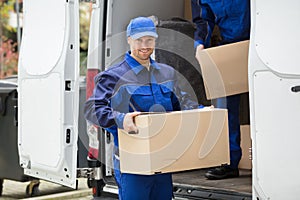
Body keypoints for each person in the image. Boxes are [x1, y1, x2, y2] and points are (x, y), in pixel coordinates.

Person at [84, 16, 199, 200]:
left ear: (155, 40)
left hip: (163, 159)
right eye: (139, 40)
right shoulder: (114, 76)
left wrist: (199, 113)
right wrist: (121, 120)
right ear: (129, 40)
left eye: (149, 40)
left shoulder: (167, 73)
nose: (144, 46)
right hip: (132, 163)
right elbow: (92, 109)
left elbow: (182, 103)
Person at [191, 0, 250, 180]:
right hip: (231, 47)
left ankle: (272, 158)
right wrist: (200, 43)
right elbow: (203, 20)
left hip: (261, 43)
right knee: (227, 108)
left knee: (267, 101)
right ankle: (230, 163)